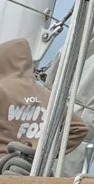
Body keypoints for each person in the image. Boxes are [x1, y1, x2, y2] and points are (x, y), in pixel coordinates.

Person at [0, 38, 88, 168]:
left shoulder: (2, 88)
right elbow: (79, 128)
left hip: (4, 166)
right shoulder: (47, 95)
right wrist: (45, 153)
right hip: (33, 168)